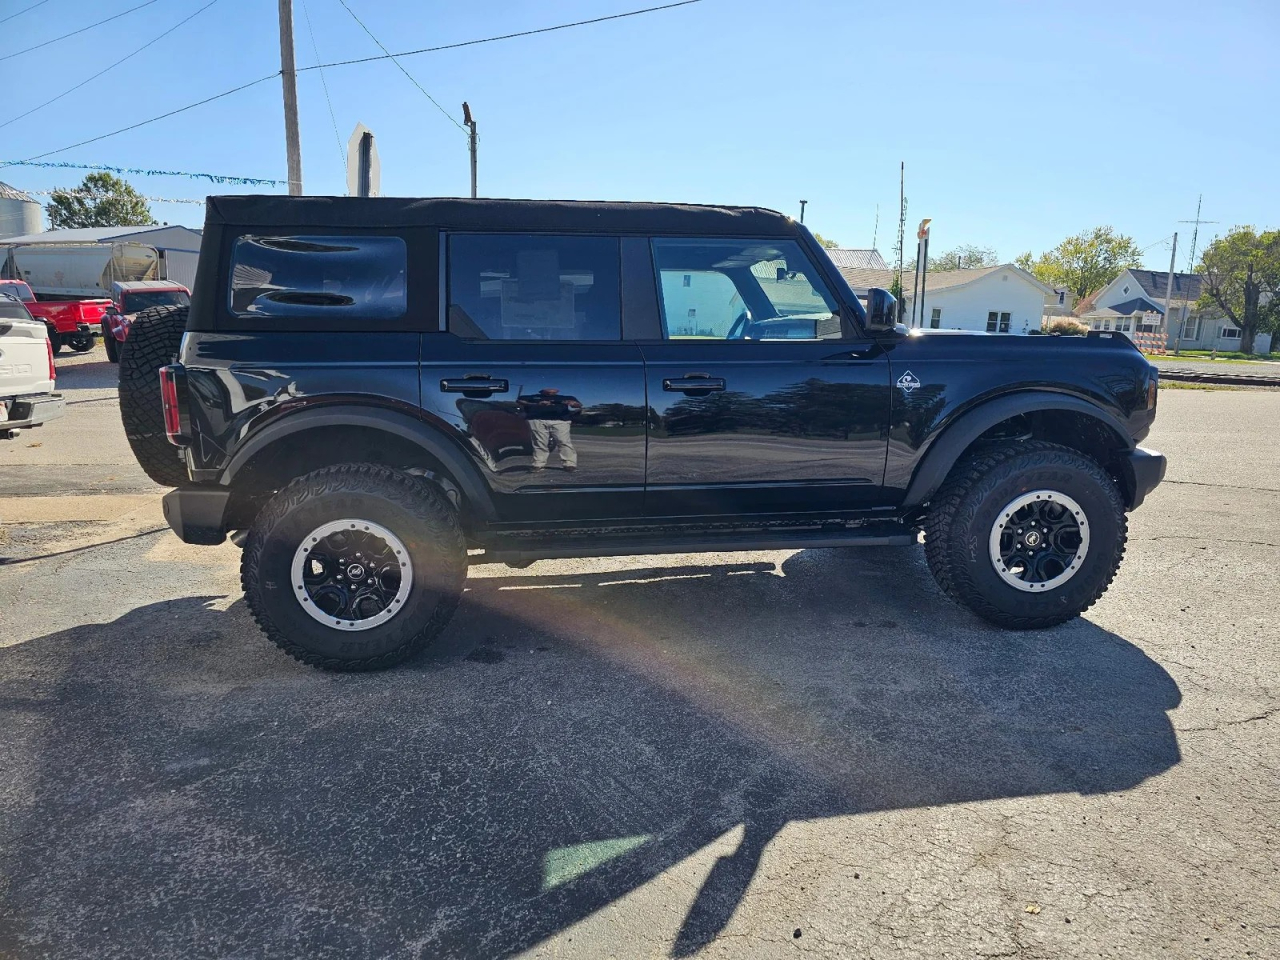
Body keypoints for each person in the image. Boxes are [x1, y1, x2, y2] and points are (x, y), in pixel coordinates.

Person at [517, 387, 582, 471]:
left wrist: (572, 404)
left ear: (557, 391)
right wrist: (537, 404)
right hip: (537, 420)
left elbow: (578, 405)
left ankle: (569, 464)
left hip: (560, 421)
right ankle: (538, 464)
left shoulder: (566, 397)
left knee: (564, 441)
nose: (551, 390)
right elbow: (520, 401)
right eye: (548, 389)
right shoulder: (532, 397)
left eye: (553, 389)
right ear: (542, 390)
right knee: (539, 442)